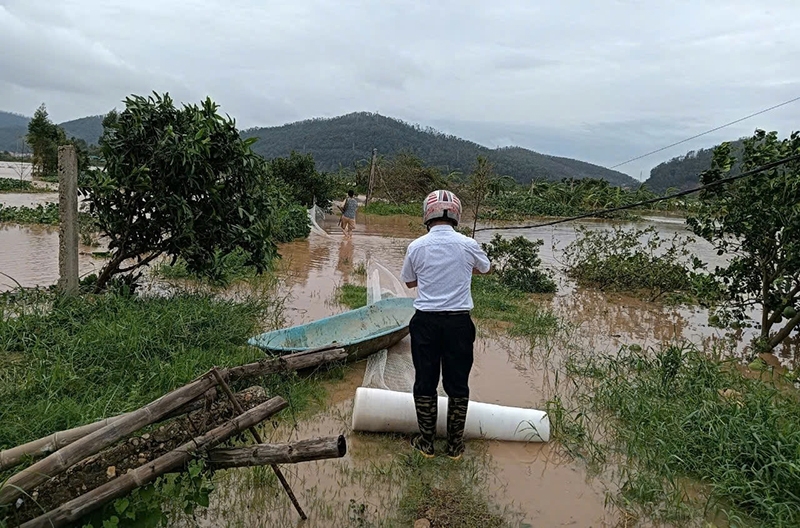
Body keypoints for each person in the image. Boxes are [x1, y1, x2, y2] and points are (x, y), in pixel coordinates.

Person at [400, 189, 491, 459]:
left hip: (426, 322)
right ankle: (454, 446)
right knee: (458, 384)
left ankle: (426, 443)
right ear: (456, 215)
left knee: (425, 382)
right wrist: (463, 269)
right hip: (459, 324)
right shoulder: (468, 245)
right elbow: (485, 268)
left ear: (427, 214)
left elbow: (409, 281)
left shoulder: (416, 246)